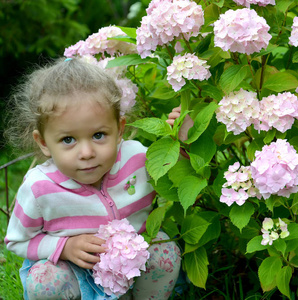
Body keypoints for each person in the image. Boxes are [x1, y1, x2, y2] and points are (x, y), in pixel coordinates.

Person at [4, 58, 182, 300]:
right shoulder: (39, 188)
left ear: (119, 130)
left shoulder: (138, 159)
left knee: (165, 249)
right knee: (44, 280)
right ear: (44, 142)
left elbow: (177, 179)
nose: (87, 152)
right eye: (68, 140)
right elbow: (17, 241)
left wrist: (182, 143)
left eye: (99, 135)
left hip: (133, 263)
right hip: (74, 275)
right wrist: (64, 248)